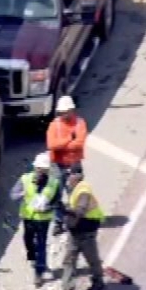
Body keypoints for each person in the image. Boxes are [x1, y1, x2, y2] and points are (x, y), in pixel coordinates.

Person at [53, 162, 106, 290]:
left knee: (92, 258)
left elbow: (80, 210)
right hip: (75, 230)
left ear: (77, 176)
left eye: (69, 175)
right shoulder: (75, 188)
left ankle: (98, 282)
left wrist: (66, 210)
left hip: (86, 231)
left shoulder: (83, 190)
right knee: (69, 260)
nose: (67, 178)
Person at [10, 152, 61, 287]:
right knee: (28, 241)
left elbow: (57, 202)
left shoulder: (54, 183)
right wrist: (22, 193)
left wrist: (48, 208)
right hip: (28, 218)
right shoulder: (25, 179)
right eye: (39, 169)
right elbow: (12, 195)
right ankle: (33, 258)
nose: (41, 172)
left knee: (41, 244)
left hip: (43, 219)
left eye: (44, 170)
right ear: (35, 168)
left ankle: (39, 272)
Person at [46, 95, 88, 229]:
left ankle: (75, 220)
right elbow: (51, 145)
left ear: (72, 110)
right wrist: (69, 139)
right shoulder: (54, 125)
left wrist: (62, 145)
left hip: (74, 165)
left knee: (75, 195)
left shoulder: (80, 123)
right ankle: (58, 221)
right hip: (57, 165)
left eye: (66, 112)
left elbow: (79, 144)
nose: (63, 115)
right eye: (61, 112)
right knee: (54, 195)